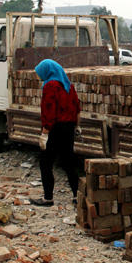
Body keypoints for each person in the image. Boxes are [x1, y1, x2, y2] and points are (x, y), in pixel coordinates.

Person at [30, 59, 81, 206]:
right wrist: (77, 127)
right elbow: (77, 108)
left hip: (54, 129)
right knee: (68, 163)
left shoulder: (50, 86)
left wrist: (44, 134)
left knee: (45, 163)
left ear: (47, 71)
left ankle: (48, 198)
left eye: (41, 73)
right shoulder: (68, 86)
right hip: (69, 128)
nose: (40, 77)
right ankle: (78, 196)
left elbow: (49, 111)